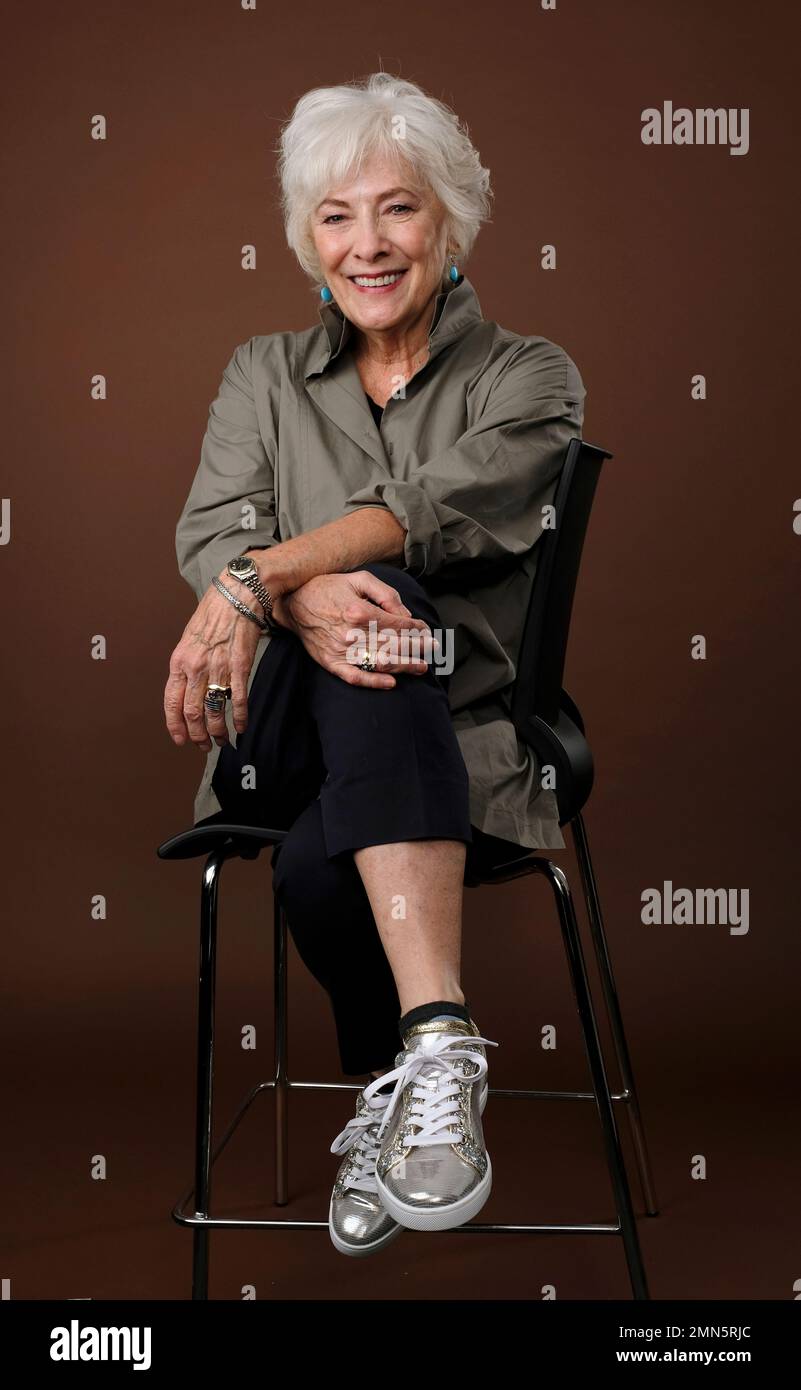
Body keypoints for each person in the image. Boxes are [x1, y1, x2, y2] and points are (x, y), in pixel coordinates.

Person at [164, 72, 586, 1256]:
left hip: (466, 725)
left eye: (397, 210)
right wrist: (291, 607)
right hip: (285, 721)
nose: (368, 244)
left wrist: (266, 577)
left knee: (310, 869)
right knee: (370, 607)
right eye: (337, 217)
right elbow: (211, 530)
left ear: (448, 222)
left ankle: (393, 1103)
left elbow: (435, 507)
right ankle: (441, 1034)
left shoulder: (530, 375)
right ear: (309, 238)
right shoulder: (260, 373)